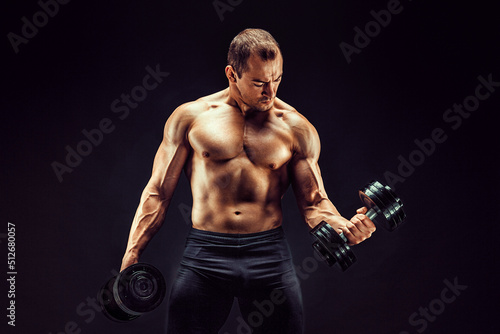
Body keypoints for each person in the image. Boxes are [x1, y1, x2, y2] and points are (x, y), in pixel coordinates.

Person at [120, 28, 376, 333]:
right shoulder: (190, 118)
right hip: (205, 255)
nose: (271, 92)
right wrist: (132, 253)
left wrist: (343, 226)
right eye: (259, 83)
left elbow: (314, 202)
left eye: (277, 79)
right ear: (231, 74)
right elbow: (158, 193)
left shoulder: (295, 128)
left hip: (268, 256)